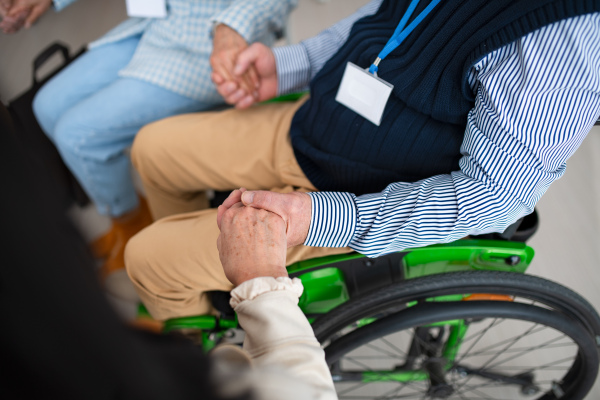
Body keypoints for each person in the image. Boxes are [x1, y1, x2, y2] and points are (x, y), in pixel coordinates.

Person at [125, 0, 600, 321]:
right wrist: (289, 64)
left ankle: (192, 339)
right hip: (320, 127)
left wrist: (323, 218)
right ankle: (207, 280)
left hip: (365, 202)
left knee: (147, 260)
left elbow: (493, 198)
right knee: (152, 149)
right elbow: (379, 22)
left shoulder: (567, 40)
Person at [0, 100, 336, 400]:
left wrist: (311, 220)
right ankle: (168, 258)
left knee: (145, 258)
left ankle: (189, 328)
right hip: (327, 124)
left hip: (354, 204)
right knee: (149, 148)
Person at [0, 0, 296, 288]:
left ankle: (132, 227)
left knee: (78, 135)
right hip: (158, 21)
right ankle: (129, 219)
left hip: (212, 43)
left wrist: (231, 25)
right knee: (47, 107)